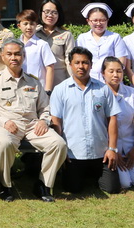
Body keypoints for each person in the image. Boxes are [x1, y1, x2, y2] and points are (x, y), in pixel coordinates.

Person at [0, 38, 66, 202]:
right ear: (3, 57)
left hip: (33, 125)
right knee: (4, 144)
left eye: (18, 54)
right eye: (10, 54)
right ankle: (5, 185)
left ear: (23, 56)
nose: (14, 58)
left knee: (58, 144)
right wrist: (3, 122)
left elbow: (45, 107)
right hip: (7, 124)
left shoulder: (33, 81)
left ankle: (43, 184)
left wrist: (44, 121)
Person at [50, 46, 119, 195]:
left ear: (91, 65)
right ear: (70, 65)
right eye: (77, 62)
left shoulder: (103, 89)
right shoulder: (60, 89)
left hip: (101, 152)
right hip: (74, 153)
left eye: (85, 62)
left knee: (112, 188)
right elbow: (56, 121)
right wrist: (62, 150)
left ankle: (93, 175)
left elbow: (112, 118)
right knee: (73, 189)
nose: (81, 66)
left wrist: (112, 149)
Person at [100, 56, 134, 191]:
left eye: (119, 71)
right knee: (124, 184)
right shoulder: (98, 93)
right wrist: (112, 149)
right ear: (103, 73)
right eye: (111, 71)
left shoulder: (131, 92)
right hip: (110, 148)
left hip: (131, 145)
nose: (115, 75)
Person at [76, 3, 130, 82]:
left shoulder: (115, 37)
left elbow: (121, 62)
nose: (98, 23)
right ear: (88, 21)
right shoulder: (82, 38)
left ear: (107, 20)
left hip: (111, 80)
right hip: (88, 78)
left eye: (102, 20)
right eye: (95, 20)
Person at [35, 0, 74, 85]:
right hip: (37, 78)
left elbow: (69, 59)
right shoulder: (34, 33)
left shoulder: (66, 34)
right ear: (41, 13)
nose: (50, 15)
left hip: (59, 79)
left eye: (54, 12)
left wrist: (72, 80)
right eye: (47, 11)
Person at [17, 9, 56, 93]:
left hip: (38, 89)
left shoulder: (42, 45)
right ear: (19, 26)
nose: (29, 27)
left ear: (36, 25)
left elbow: (50, 68)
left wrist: (48, 90)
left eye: (32, 24)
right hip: (20, 88)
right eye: (25, 24)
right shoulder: (16, 45)